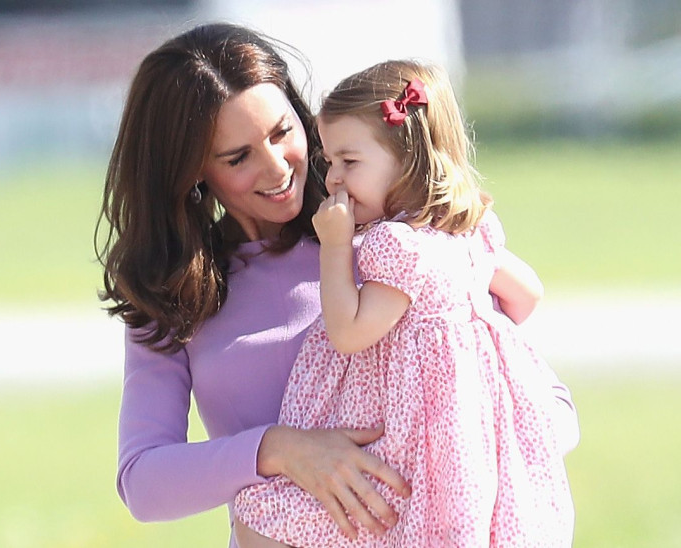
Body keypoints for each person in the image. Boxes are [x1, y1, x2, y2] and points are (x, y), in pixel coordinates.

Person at [95, 24, 579, 548]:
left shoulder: (394, 238)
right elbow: (144, 483)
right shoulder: (174, 294)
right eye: (239, 157)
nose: (278, 167)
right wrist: (280, 449)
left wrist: (446, 449)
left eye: (283, 132)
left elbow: (545, 399)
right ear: (190, 171)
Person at [233, 61, 576, 547]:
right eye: (330, 161)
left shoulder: (395, 246)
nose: (333, 180)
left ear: (407, 158)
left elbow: (350, 333)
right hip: (460, 439)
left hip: (404, 436)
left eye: (349, 163)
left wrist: (335, 246)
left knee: (268, 518)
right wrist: (476, 339)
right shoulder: (467, 231)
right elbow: (527, 294)